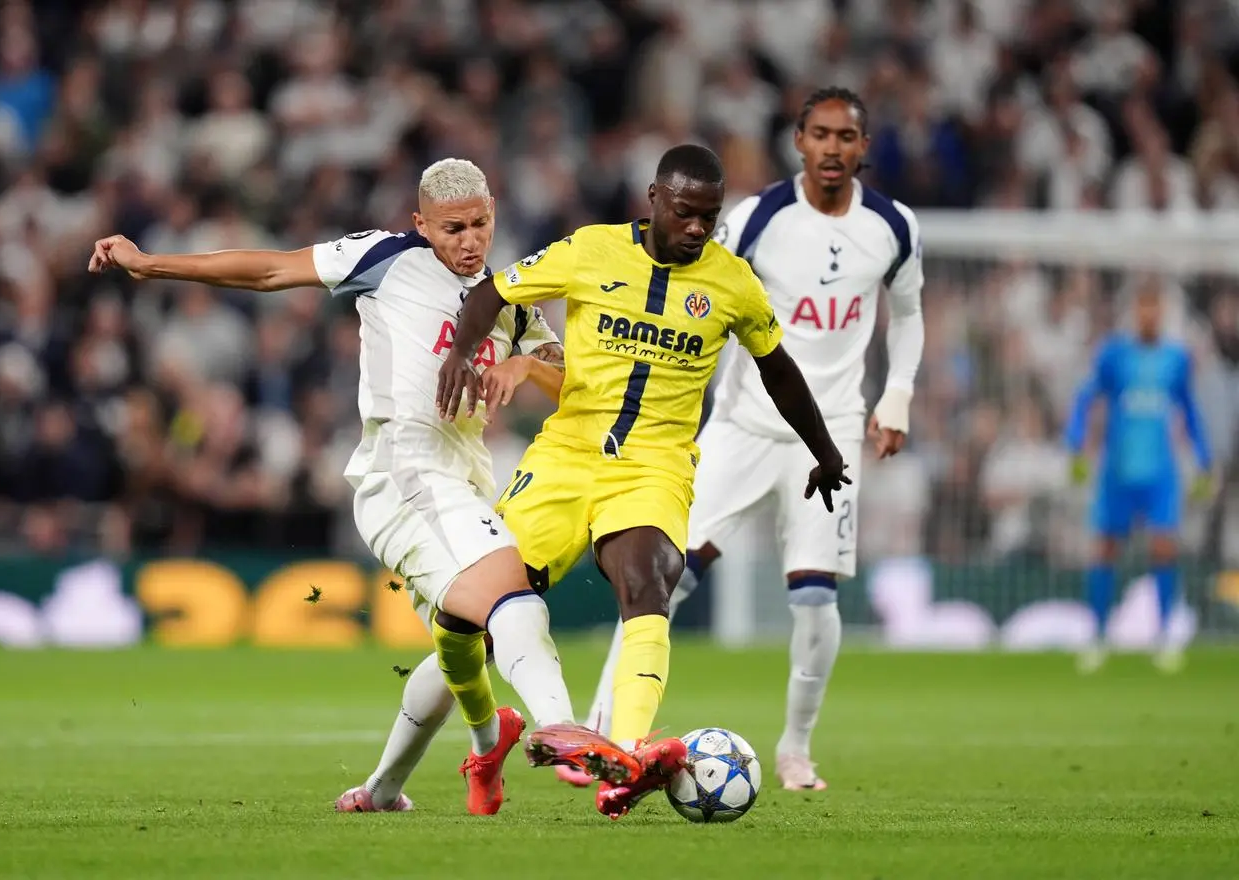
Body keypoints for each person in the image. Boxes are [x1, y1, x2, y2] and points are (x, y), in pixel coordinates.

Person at [88, 158, 637, 817]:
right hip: (404, 472)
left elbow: (570, 381)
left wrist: (522, 364)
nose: (469, 241)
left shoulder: (506, 297)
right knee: (515, 603)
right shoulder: (388, 258)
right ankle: (563, 729)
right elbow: (271, 269)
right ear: (421, 224)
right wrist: (153, 265)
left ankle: (391, 786)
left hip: (462, 483)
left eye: (481, 224)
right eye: (453, 228)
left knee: (465, 637)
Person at [435, 144, 850, 819]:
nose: (697, 229)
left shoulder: (733, 283)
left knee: (649, 584)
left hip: (654, 466)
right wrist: (459, 352)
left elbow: (778, 369)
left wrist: (825, 451)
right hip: (566, 456)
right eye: (686, 213)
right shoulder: (590, 250)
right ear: (654, 199)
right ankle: (480, 741)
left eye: (709, 218)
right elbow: (492, 292)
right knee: (463, 618)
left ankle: (624, 755)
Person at [564, 87, 926, 794]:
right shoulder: (758, 216)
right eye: (819, 134)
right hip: (740, 427)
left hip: (830, 435)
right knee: (658, 581)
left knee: (816, 599)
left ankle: (795, 748)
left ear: (863, 146)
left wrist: (899, 396)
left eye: (845, 137)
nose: (831, 148)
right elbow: (690, 285)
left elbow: (908, 315)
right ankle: (601, 734)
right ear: (798, 140)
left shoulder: (895, 227)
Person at [1066, 278, 1213, 674]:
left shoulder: (1176, 359)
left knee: (1164, 548)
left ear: (1163, 312)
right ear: (1135, 313)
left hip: (1160, 472)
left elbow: (1189, 411)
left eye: (1155, 307)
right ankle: (1098, 637)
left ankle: (1165, 636)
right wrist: (1076, 443)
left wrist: (1204, 457)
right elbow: (1086, 398)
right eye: (1143, 307)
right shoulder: (1114, 356)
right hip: (1117, 470)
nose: (1149, 315)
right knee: (1104, 549)